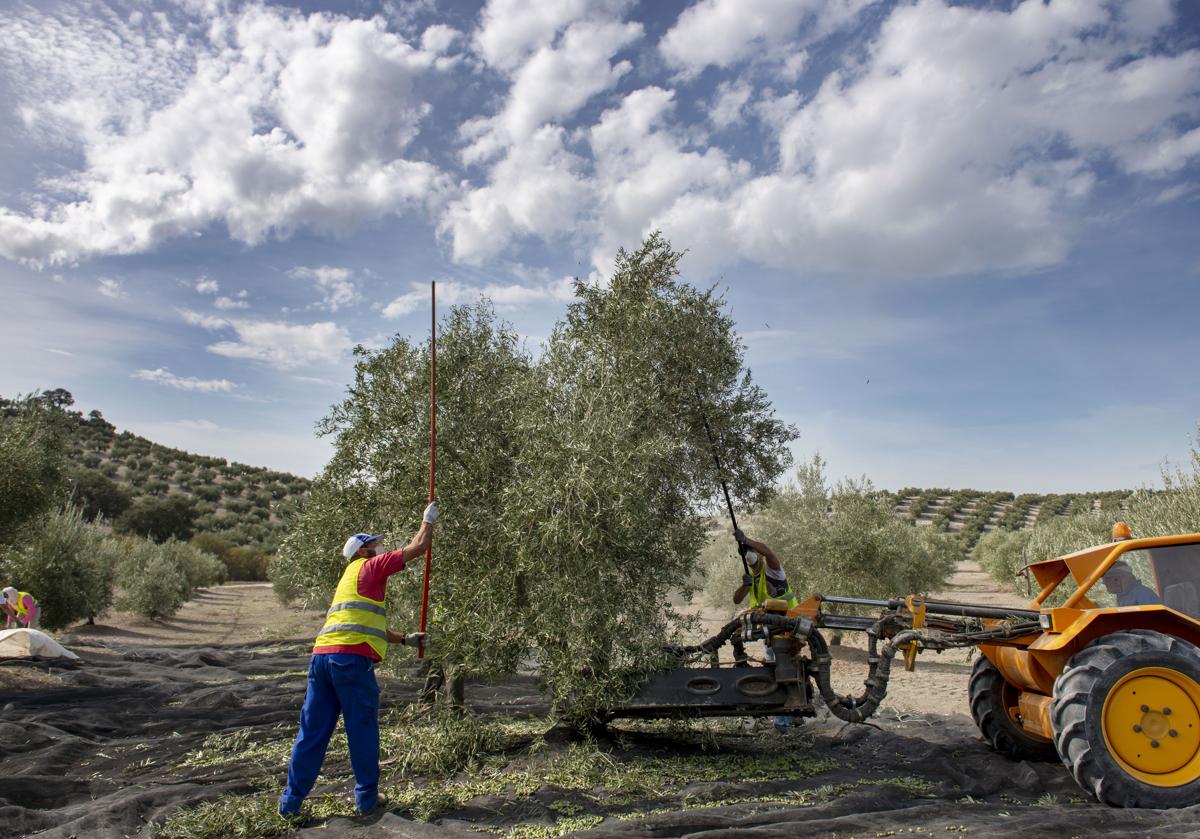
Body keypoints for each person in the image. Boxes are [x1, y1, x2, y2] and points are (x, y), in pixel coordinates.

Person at [278, 502, 438, 819]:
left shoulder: (349, 578)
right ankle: (366, 800)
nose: (380, 547)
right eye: (375, 544)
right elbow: (419, 546)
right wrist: (427, 519)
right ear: (363, 551)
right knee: (361, 728)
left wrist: (404, 638)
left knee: (311, 733)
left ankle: (290, 804)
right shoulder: (371, 567)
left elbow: (364, 623)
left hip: (322, 660)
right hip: (350, 663)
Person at [731, 532, 798, 734]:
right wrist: (744, 586)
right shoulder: (752, 578)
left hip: (787, 629)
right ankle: (792, 717)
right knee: (786, 671)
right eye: (748, 558)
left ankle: (782, 725)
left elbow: (769, 552)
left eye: (752, 555)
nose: (752, 561)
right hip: (772, 633)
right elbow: (736, 599)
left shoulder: (773, 572)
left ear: (757, 556)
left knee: (782, 673)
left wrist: (746, 540)